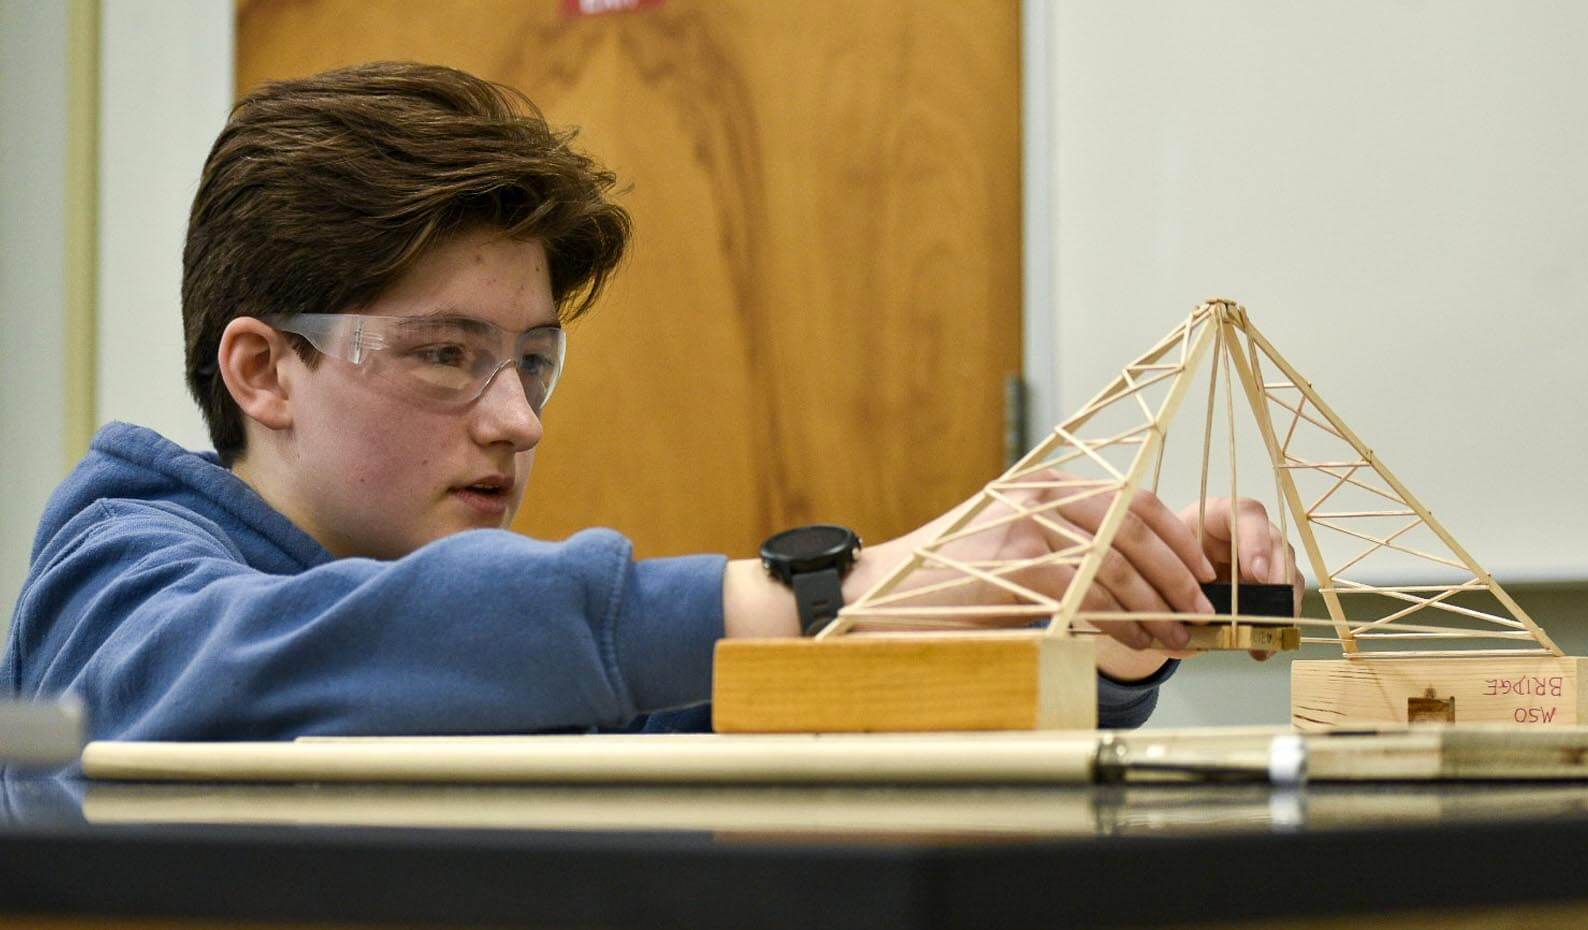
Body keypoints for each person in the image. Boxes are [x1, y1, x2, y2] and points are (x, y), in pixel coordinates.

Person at [3, 62, 1297, 741]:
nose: (518, 420)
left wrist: (1093, 632)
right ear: (261, 370)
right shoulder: (116, 570)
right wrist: (829, 592)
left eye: (533, 360)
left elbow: (795, 725)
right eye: (449, 356)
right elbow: (230, 680)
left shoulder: (488, 635)